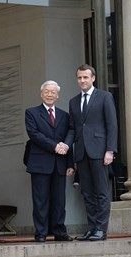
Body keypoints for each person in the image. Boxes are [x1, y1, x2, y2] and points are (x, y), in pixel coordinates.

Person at [65, 64, 118, 241]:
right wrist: (66, 146)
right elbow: (73, 129)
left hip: (100, 151)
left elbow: (112, 125)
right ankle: (92, 228)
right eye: (79, 78)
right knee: (87, 193)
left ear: (93, 78)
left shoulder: (104, 97)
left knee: (101, 192)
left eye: (85, 77)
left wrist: (110, 150)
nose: (82, 81)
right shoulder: (73, 102)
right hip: (81, 152)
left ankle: (101, 229)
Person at [25, 80, 74, 243]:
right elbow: (34, 135)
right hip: (40, 163)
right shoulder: (31, 113)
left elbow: (69, 137)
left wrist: (69, 163)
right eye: (47, 91)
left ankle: (60, 231)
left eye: (53, 92)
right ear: (41, 94)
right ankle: (41, 233)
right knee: (41, 200)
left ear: (58, 95)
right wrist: (55, 147)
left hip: (60, 164)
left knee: (59, 200)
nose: (50, 94)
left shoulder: (64, 115)